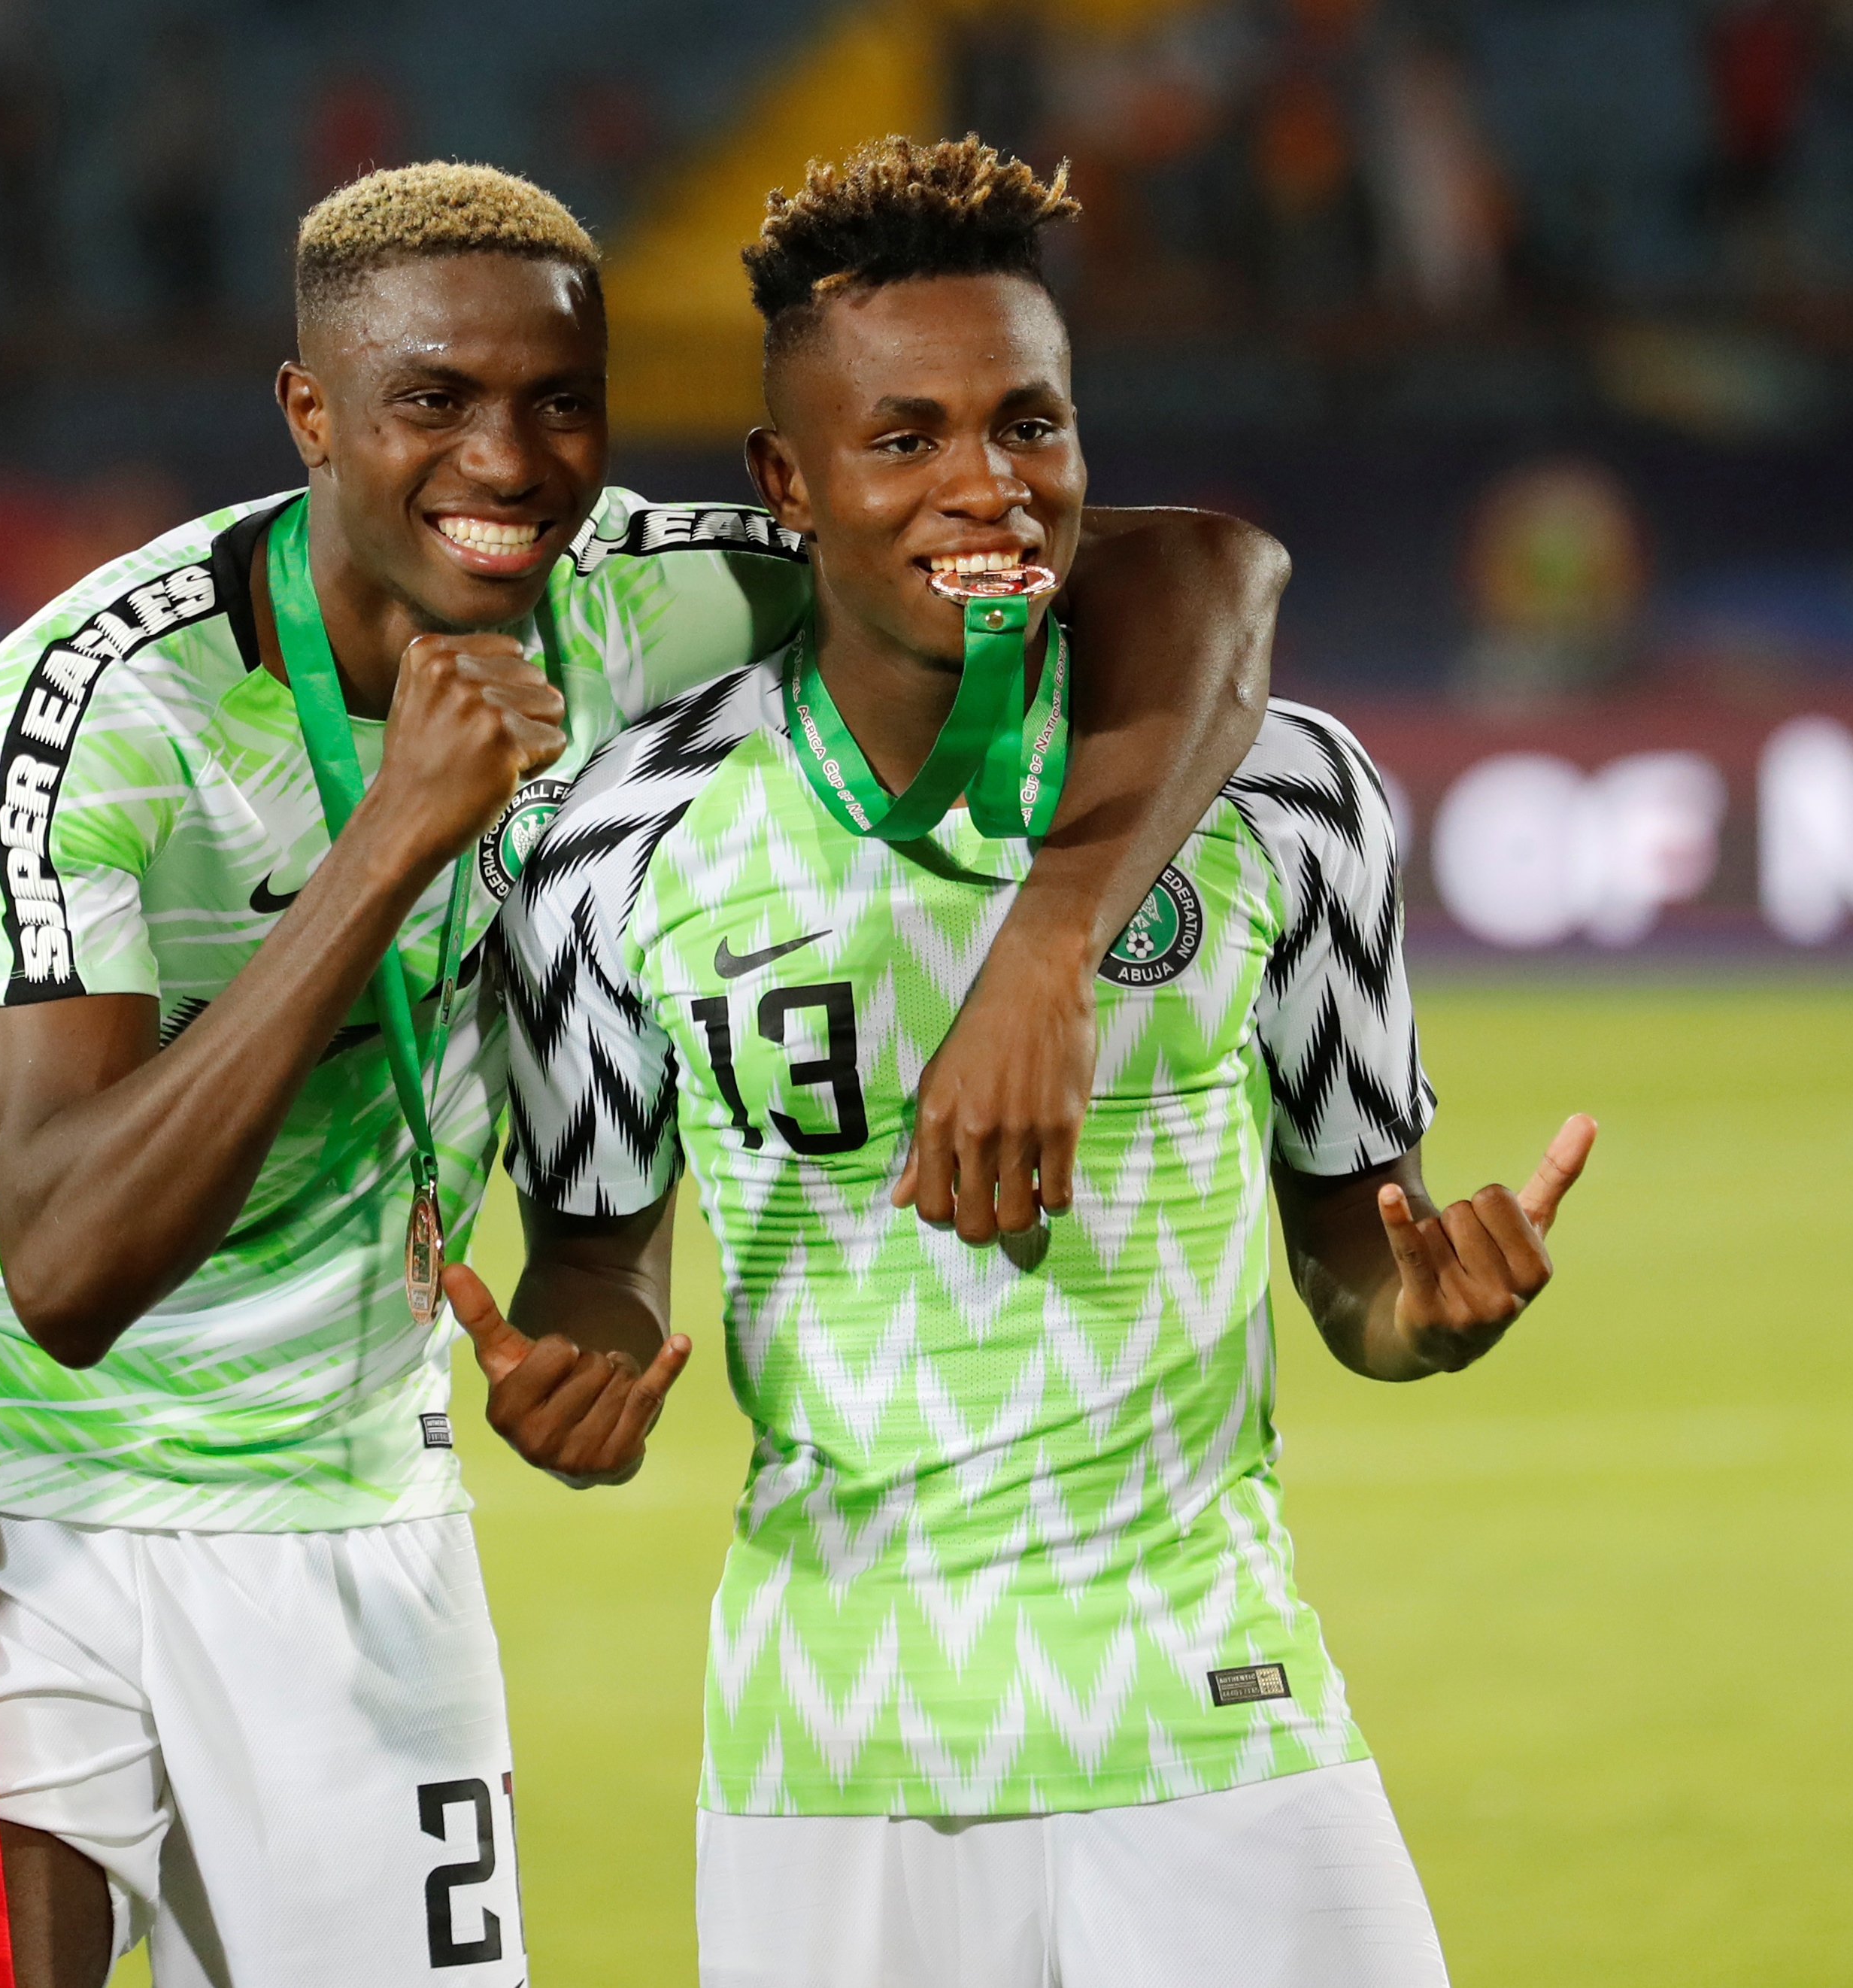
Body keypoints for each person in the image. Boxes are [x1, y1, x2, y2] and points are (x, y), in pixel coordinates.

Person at [0, 162, 1286, 1988]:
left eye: (558, 403)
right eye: (431, 401)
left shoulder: (641, 603)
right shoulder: (102, 696)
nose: (505, 463)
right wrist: (392, 839)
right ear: (311, 413)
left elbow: (1196, 566)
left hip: (353, 1507)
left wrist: (1055, 937)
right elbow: (63, 1267)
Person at [478, 136, 1597, 1987]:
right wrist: (570, 1384)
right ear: (788, 480)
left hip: (1214, 1699)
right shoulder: (610, 843)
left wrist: (1420, 1309)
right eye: (902, 437)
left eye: (1028, 423)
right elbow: (596, 1263)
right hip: (834, 1737)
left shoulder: (1291, 796)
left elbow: (1348, 1250)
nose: (983, 485)